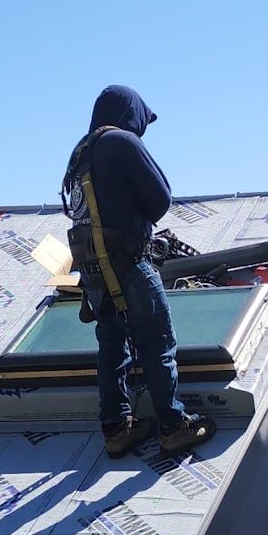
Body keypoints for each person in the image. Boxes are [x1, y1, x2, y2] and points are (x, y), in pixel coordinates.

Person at [61, 84, 216, 458]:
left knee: (112, 346)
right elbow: (161, 197)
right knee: (157, 340)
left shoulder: (81, 151)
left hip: (95, 273)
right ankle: (173, 425)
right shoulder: (121, 142)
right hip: (129, 264)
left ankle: (116, 428)